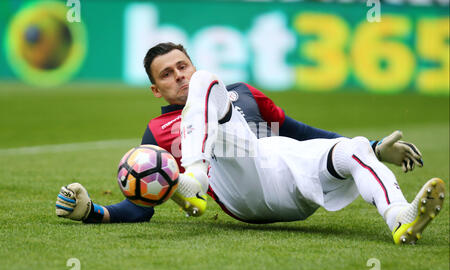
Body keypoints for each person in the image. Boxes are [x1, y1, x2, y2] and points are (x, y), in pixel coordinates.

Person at [55, 42, 445, 245]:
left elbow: (299, 132)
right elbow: (141, 208)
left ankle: (400, 219)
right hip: (240, 189)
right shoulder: (157, 135)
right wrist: (93, 212)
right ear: (155, 89)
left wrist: (376, 149)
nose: (180, 77)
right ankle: (195, 179)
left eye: (183, 67)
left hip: (286, 175)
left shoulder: (242, 93)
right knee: (209, 86)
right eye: (168, 75)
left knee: (352, 147)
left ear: (191, 63)